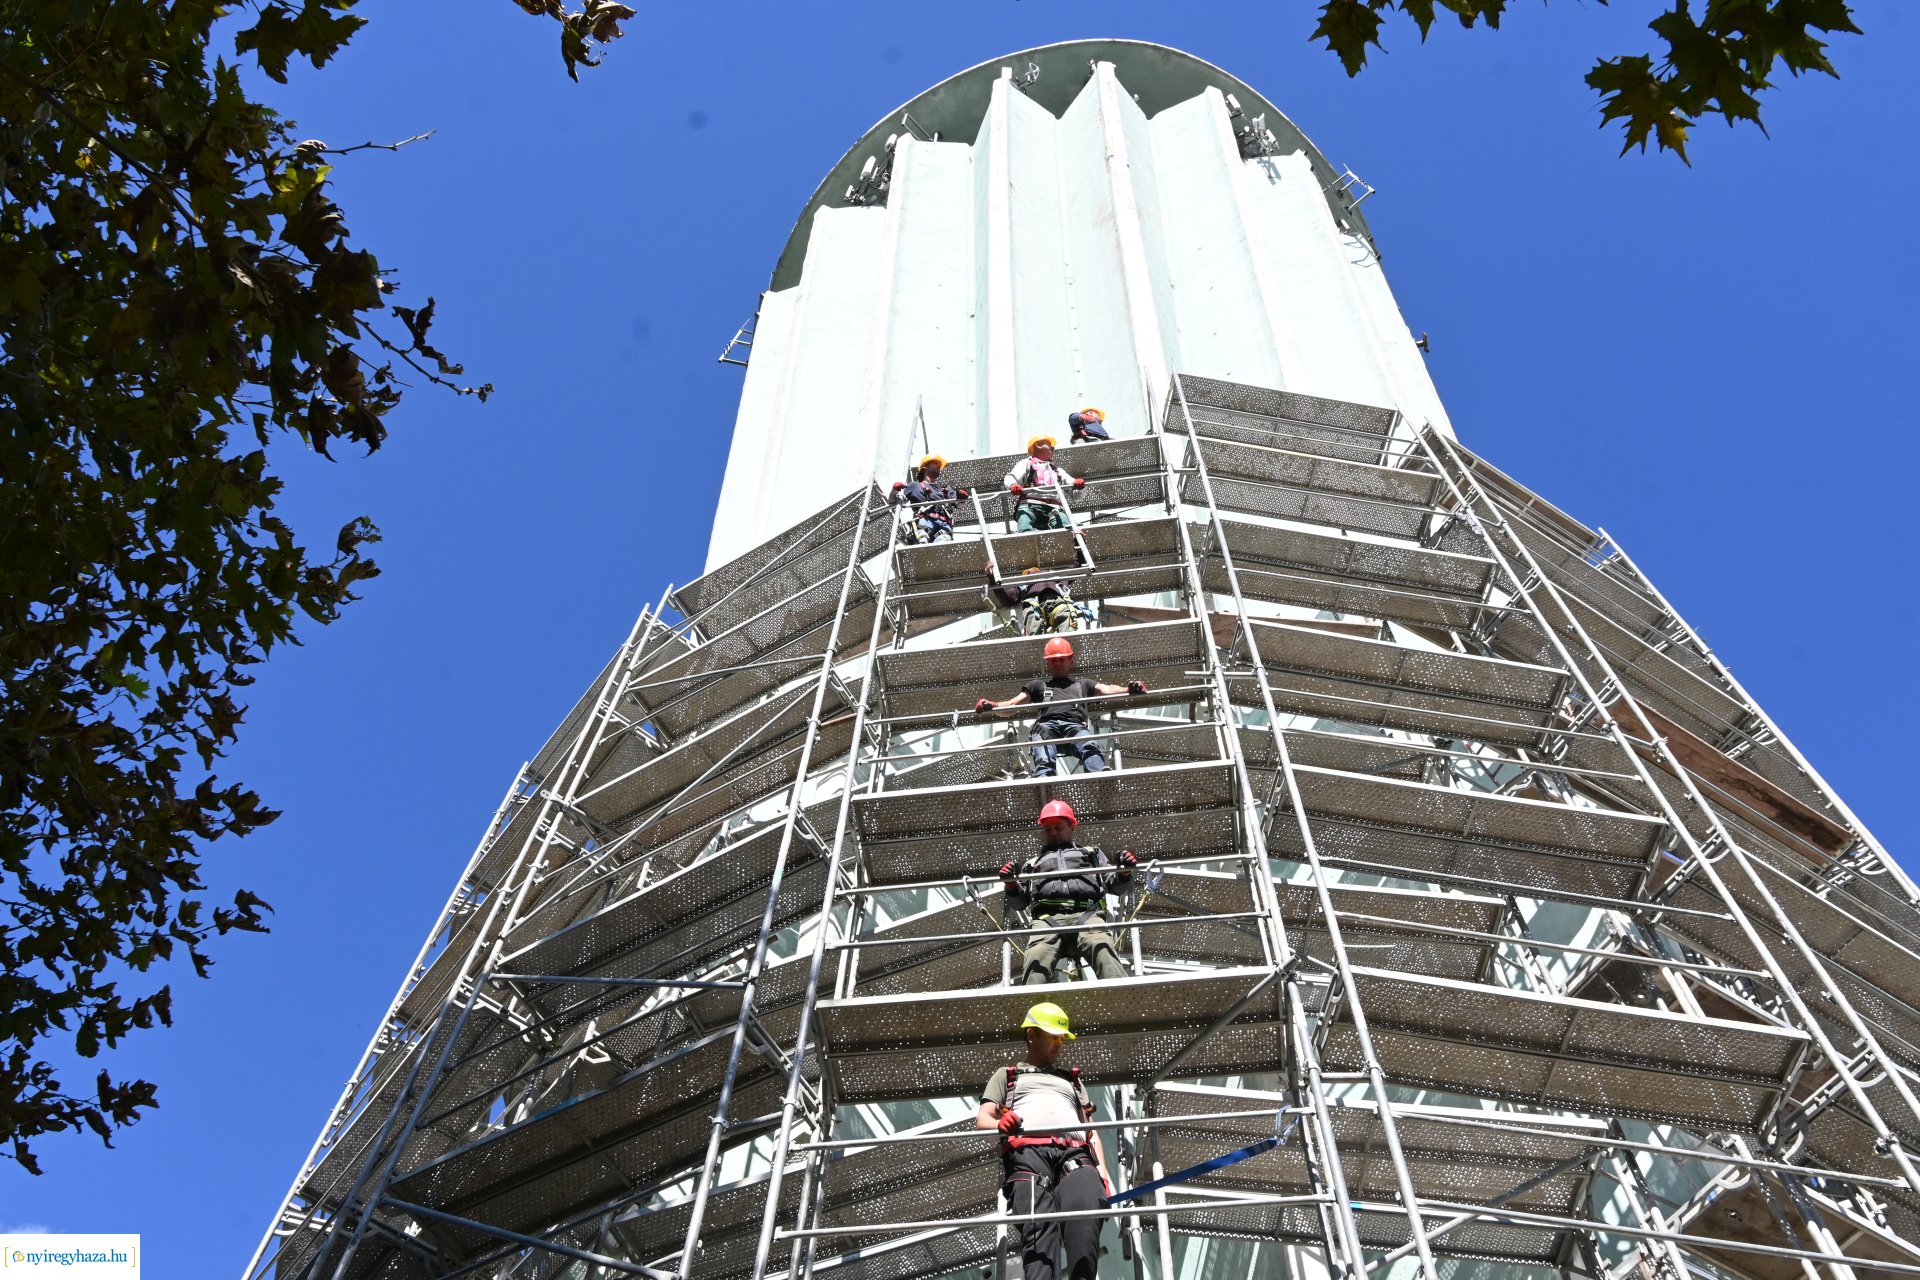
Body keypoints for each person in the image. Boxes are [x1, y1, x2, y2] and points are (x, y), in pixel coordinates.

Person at [976, 1002, 1114, 1280]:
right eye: (1053, 1035)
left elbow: (1090, 1132)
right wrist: (1000, 1124)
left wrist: (1104, 1175)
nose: (1059, 1042)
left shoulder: (1072, 1082)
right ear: (1031, 1035)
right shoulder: (1008, 1075)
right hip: (1029, 1157)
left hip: (1075, 1156)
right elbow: (983, 1119)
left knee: (1085, 1227)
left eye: (1062, 1037)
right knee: (1040, 1242)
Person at [998, 800, 1136, 986]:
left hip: (1088, 915)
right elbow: (1020, 903)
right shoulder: (1033, 864)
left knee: (1102, 949)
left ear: (1072, 826)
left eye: (1058, 827)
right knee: (1036, 959)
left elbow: (1114, 886)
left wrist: (1124, 872)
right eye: (1048, 829)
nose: (1053, 833)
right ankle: (1030, 1007)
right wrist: (1011, 884)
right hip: (1047, 920)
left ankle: (1124, 998)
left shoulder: (1091, 854)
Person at [975, 636, 1147, 777]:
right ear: (1048, 663)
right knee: (1044, 760)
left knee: (1090, 747)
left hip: (1075, 728)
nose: (1057, 663)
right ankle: (1044, 783)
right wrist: (993, 706)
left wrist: (1129, 689)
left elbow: (1107, 689)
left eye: (1062, 659)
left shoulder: (1083, 685)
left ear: (1071, 660)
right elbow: (1012, 705)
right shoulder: (1038, 686)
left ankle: (1099, 778)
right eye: (1053, 660)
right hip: (1046, 729)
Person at [1004, 436, 1084, 532]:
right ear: (1037, 445)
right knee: (1025, 519)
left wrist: (1080, 487)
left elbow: (1076, 495)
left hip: (1055, 508)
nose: (1053, 448)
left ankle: (1070, 540)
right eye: (1050, 444)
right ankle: (1028, 540)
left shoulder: (1057, 471)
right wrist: (1013, 485)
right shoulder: (1027, 463)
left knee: (1064, 527)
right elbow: (1010, 477)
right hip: (1030, 505)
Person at [986, 565, 1094, 636]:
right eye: (1029, 572)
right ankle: (1036, 647)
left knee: (1066, 619)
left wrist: (1078, 541)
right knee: (1033, 624)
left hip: (1057, 601)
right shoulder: (1024, 584)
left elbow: (1079, 566)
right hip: (1034, 604)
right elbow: (1008, 600)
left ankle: (1066, 647)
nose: (1032, 571)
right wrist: (992, 578)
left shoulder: (1056, 576)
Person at [890, 454, 968, 543]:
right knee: (923, 541)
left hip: (944, 525)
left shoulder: (946, 490)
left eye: (939, 464)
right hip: (924, 521)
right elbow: (893, 502)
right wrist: (894, 490)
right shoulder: (915, 486)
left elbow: (959, 505)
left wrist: (962, 499)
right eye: (935, 463)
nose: (939, 466)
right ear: (925, 467)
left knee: (942, 545)